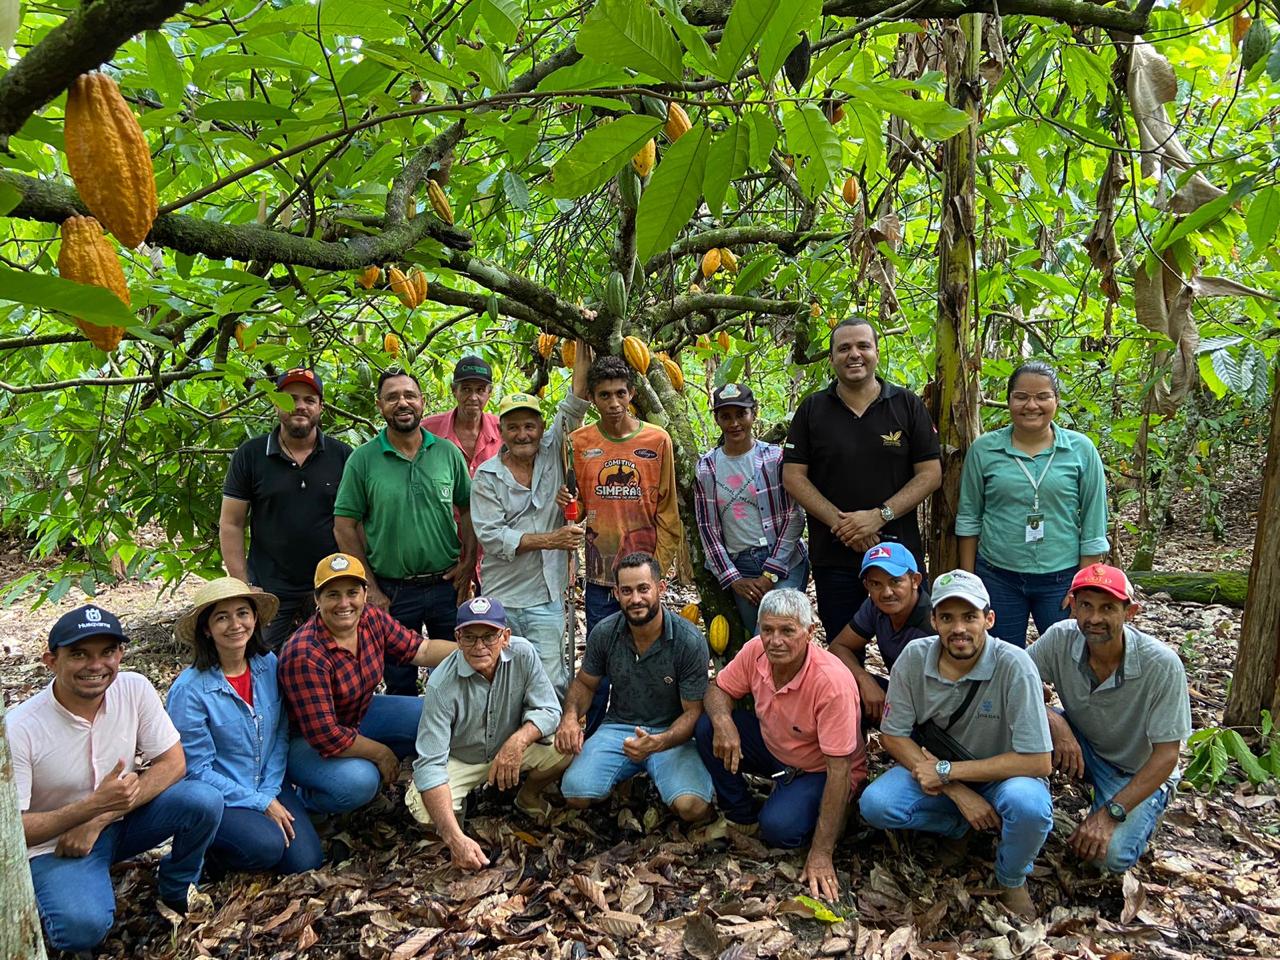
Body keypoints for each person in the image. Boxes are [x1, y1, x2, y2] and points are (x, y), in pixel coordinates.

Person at [9, 605, 222, 953]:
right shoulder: (20, 728)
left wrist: (98, 816)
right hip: (56, 846)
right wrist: (87, 809)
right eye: (79, 654)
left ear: (121, 654)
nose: (96, 666)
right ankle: (60, 896)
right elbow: (12, 830)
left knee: (203, 799)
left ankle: (178, 886)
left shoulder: (133, 689)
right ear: (51, 661)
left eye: (107, 652)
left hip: (122, 821)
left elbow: (173, 762)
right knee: (82, 928)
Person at [858, 570, 1053, 919]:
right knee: (877, 804)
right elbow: (893, 735)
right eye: (947, 618)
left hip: (1002, 775)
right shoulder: (914, 658)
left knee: (1029, 805)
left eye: (969, 617)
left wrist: (948, 772)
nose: (958, 628)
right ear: (934, 621)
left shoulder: (1014, 664)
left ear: (988, 619)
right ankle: (959, 827)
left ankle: (1011, 876)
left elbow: (1039, 761)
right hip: (940, 772)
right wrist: (956, 790)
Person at [694, 589, 865, 900]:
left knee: (779, 830)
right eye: (768, 630)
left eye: (788, 631)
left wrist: (821, 853)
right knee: (707, 727)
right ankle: (741, 815)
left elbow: (840, 769)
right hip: (775, 744)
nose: (775, 641)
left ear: (810, 632)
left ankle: (838, 813)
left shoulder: (831, 684)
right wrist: (723, 721)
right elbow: (718, 689)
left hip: (819, 769)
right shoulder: (755, 651)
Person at [782, 318, 941, 643]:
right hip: (834, 556)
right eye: (844, 348)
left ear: (876, 353)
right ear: (831, 358)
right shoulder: (812, 409)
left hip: (898, 555)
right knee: (842, 649)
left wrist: (878, 516)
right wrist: (844, 525)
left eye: (863, 346)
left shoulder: (906, 405)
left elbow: (930, 474)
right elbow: (793, 477)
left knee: (915, 649)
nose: (854, 354)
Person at [1028, 564, 1191, 873]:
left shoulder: (1161, 665)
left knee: (1108, 856)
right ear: (1072, 606)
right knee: (1017, 723)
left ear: (1130, 612)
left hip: (1135, 770)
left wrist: (1109, 814)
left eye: (1107, 608)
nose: (1094, 618)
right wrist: (1054, 721)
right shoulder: (1060, 638)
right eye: (1086, 606)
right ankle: (1027, 806)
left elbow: (1167, 755)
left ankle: (1144, 808)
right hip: (1084, 743)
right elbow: (1014, 685)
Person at [167, 578, 324, 877]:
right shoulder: (190, 691)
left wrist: (269, 792)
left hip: (266, 782)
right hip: (219, 797)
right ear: (207, 629)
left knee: (306, 861)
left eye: (242, 613)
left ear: (254, 618)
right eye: (222, 617)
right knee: (267, 846)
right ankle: (207, 853)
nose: (235, 624)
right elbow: (196, 770)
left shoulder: (268, 664)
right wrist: (260, 802)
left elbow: (279, 734)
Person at [334, 368, 475, 695]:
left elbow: (468, 509)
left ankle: (453, 728)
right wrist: (370, 587)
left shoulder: (447, 453)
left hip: (446, 585)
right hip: (392, 590)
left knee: (457, 672)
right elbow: (344, 526)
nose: (402, 403)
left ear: (422, 401)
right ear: (380, 405)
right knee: (399, 679)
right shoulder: (363, 460)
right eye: (392, 397)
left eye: (409, 395)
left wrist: (468, 563)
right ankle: (406, 727)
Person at [279, 554, 456, 815]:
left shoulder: (370, 618)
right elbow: (327, 736)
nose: (344, 603)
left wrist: (472, 651)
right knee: (360, 782)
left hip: (357, 714)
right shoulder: (305, 653)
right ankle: (310, 804)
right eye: (333, 595)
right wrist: (380, 753)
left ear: (364, 593)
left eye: (352, 593)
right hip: (307, 740)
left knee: (434, 716)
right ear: (317, 599)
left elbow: (421, 649)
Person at [407, 597, 569, 870]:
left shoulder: (523, 654)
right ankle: (461, 825)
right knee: (424, 811)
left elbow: (550, 710)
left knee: (565, 746)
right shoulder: (441, 684)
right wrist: (454, 838)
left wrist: (517, 741)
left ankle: (527, 796)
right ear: (458, 639)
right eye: (470, 637)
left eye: (489, 636)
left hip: (509, 745)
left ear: (505, 636)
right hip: (461, 758)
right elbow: (430, 764)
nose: (479, 646)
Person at [956, 360, 1109, 648]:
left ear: (1056, 401)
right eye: (1021, 397)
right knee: (1001, 659)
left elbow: (1094, 523)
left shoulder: (1081, 450)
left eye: (1042, 397)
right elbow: (968, 518)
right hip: (998, 576)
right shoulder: (984, 450)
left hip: (1061, 578)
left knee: (1069, 656)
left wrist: (1082, 588)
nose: (1031, 405)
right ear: (1009, 400)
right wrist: (972, 582)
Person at [555, 553, 713, 823]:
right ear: (616, 593)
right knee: (575, 792)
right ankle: (624, 782)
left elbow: (693, 712)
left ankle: (665, 778)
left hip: (670, 734)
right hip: (620, 727)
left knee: (692, 807)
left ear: (660, 588)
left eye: (643, 589)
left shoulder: (688, 640)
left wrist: (659, 742)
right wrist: (570, 717)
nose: (636, 599)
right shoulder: (605, 632)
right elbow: (584, 683)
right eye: (627, 591)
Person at [470, 341, 591, 695]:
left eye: (529, 426)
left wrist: (580, 335)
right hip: (504, 597)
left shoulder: (554, 449)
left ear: (541, 427)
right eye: (513, 427)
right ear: (501, 431)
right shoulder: (487, 476)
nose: (523, 435)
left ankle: (551, 731)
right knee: (501, 678)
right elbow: (492, 537)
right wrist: (553, 540)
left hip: (547, 596)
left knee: (550, 678)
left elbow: (577, 397)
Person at [219, 367, 352, 648]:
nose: (300, 406)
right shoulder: (250, 455)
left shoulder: (342, 456)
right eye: (291, 399)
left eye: (309, 400)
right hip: (270, 587)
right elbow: (231, 523)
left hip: (330, 583)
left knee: (334, 657)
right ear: (276, 403)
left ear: (321, 407)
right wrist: (243, 586)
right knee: (263, 659)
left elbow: (356, 523)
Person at [571, 355, 682, 636]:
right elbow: (579, 508)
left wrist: (656, 570)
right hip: (601, 575)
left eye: (620, 393)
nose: (614, 403)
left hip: (643, 575)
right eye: (604, 395)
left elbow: (668, 512)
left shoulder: (657, 440)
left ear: (632, 393)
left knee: (646, 650)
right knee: (602, 650)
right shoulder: (579, 442)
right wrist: (567, 502)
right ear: (592, 398)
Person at [694, 383, 808, 639]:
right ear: (717, 419)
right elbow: (707, 528)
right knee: (757, 639)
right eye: (726, 416)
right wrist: (733, 578)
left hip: (784, 561)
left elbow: (794, 516)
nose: (734, 423)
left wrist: (770, 573)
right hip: (741, 567)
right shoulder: (707, 468)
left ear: (754, 413)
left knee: (771, 637)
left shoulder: (774, 459)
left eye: (741, 414)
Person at [828, 542, 933, 723]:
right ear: (866, 585)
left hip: (934, 710)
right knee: (841, 685)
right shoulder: (875, 607)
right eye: (876, 584)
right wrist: (864, 679)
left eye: (895, 581)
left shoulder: (933, 623)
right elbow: (839, 647)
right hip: (900, 696)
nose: (886, 592)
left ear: (915, 581)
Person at [423, 354, 503, 476]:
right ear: (454, 390)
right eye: (466, 389)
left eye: (480, 390)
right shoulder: (427, 430)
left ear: (489, 392)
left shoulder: (503, 429)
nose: (473, 397)